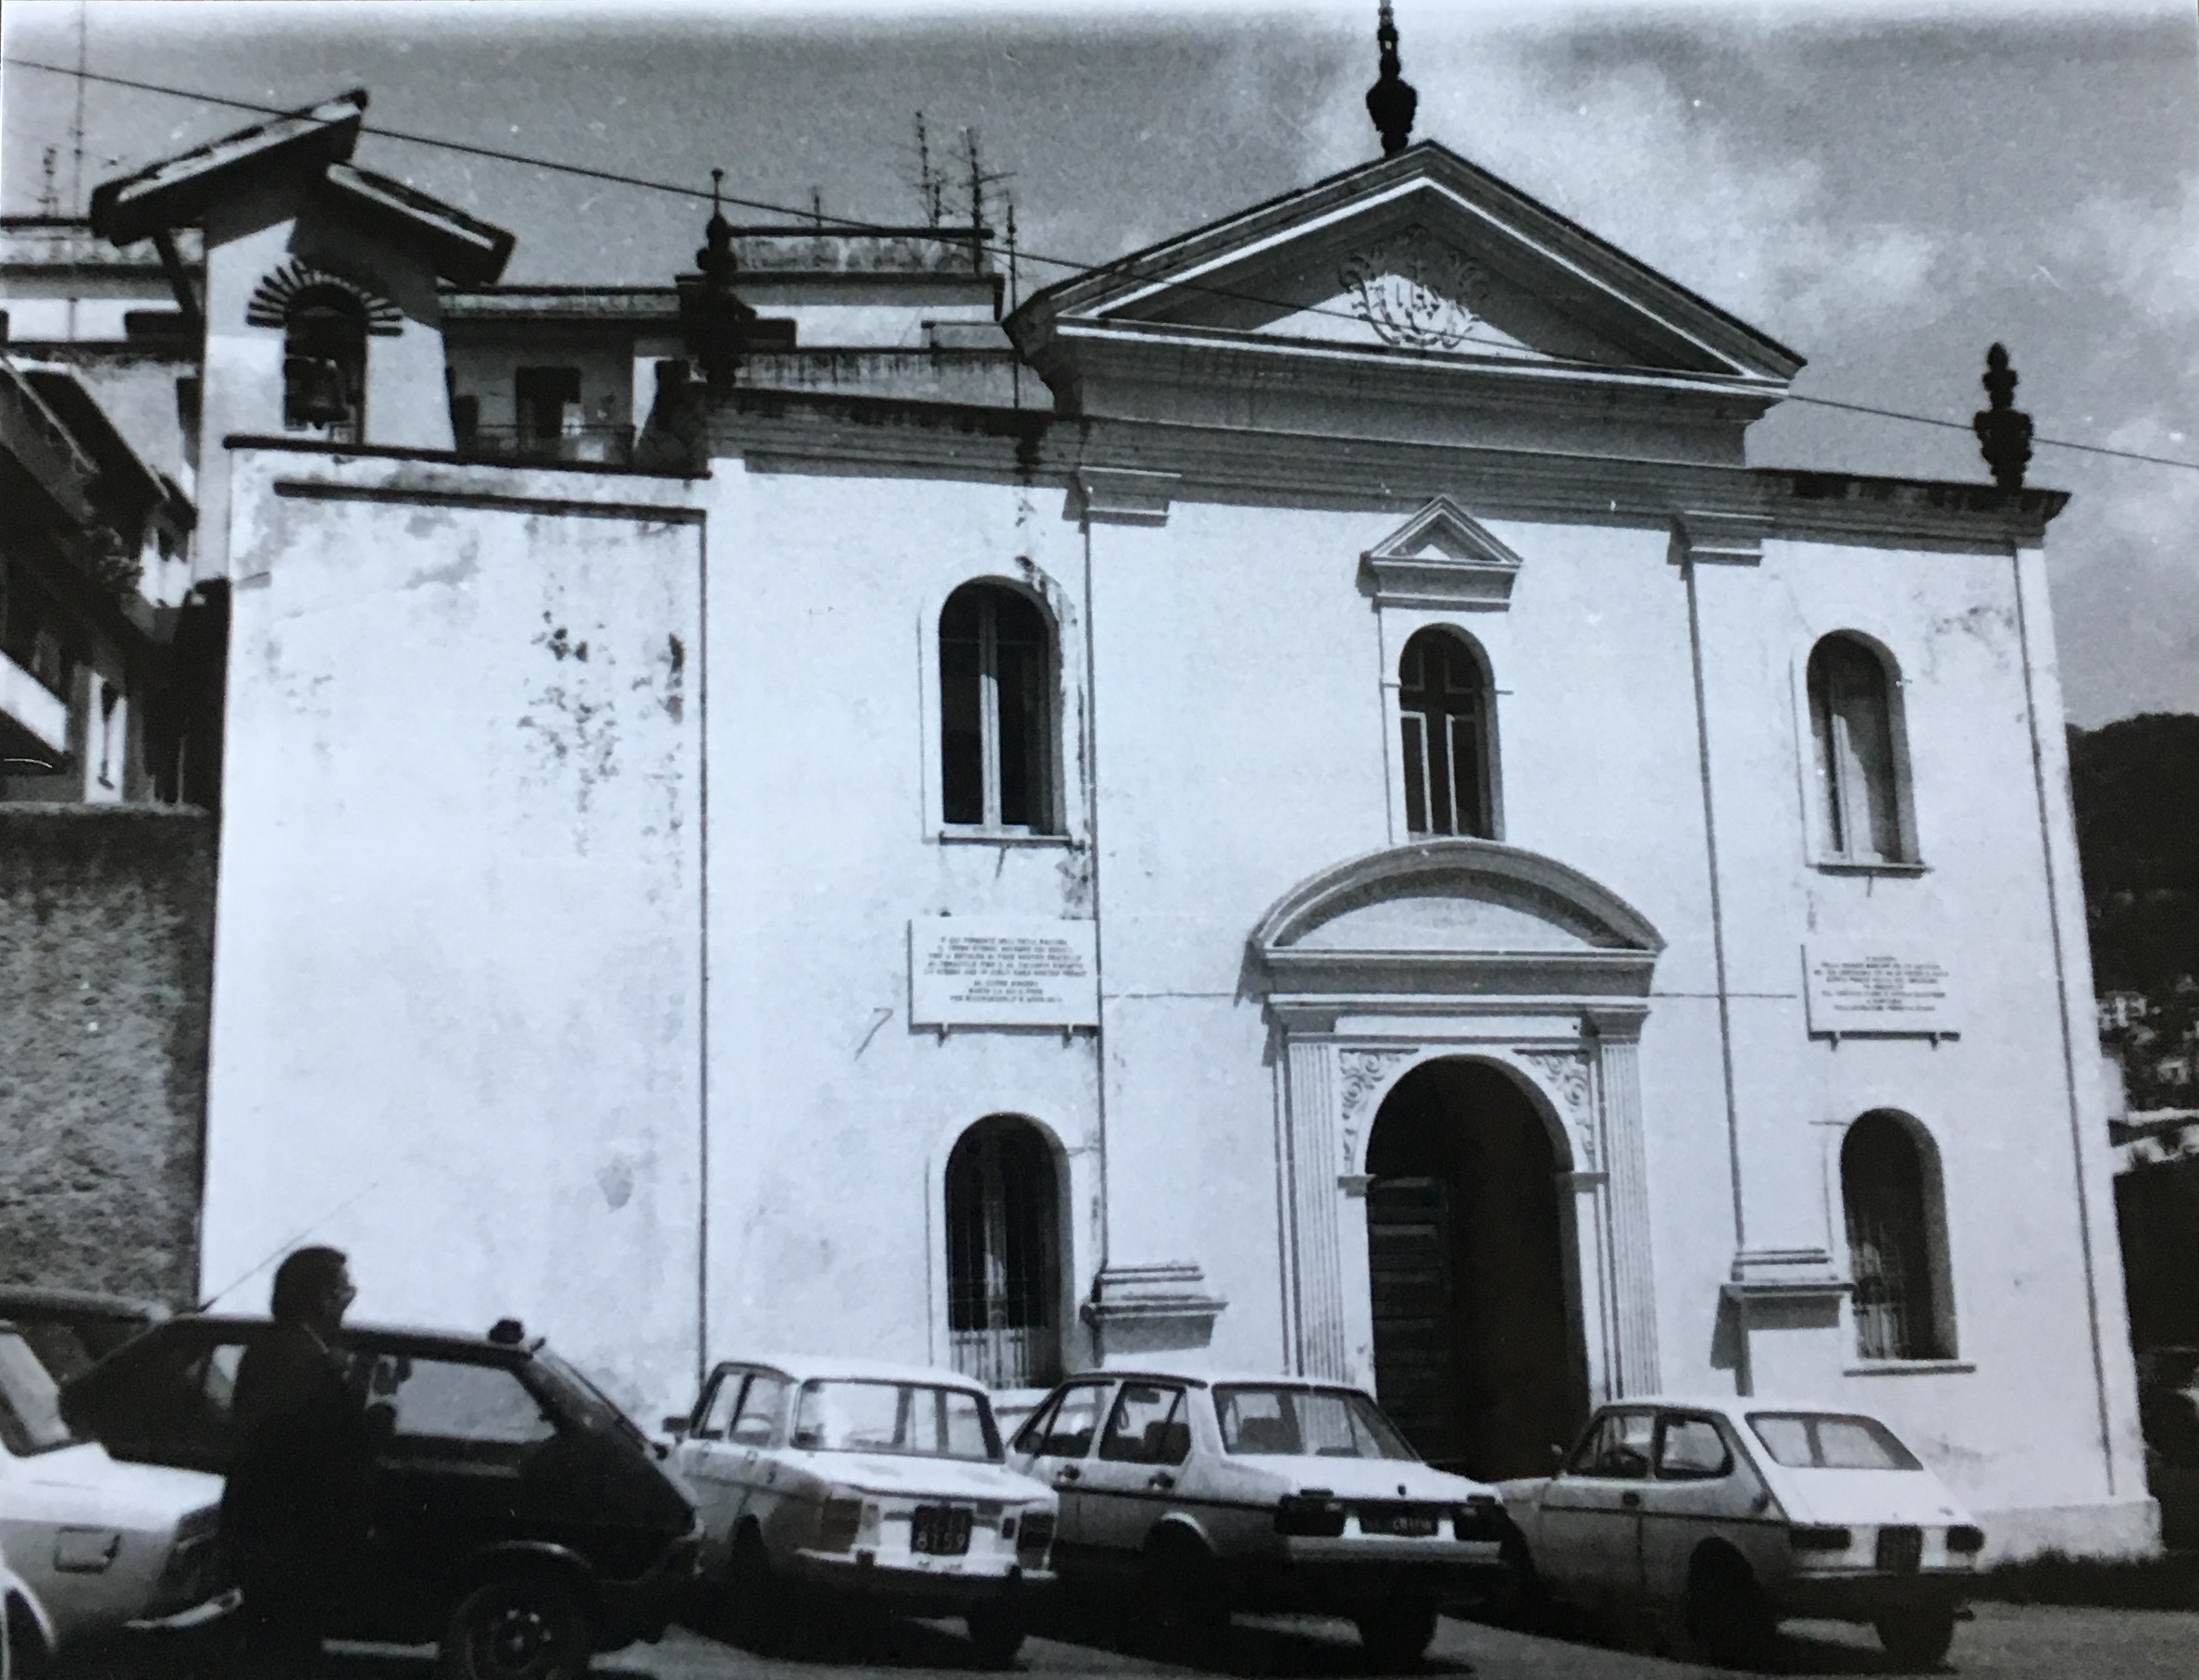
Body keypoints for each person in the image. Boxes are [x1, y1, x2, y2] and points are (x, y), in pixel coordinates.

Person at [220, 1246, 373, 1677]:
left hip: (268, 1535)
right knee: (286, 1650)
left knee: (276, 1645)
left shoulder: (270, 1352)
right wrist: (352, 1394)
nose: (351, 1298)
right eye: (345, 1289)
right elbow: (315, 1451)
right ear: (322, 1299)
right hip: (289, 1541)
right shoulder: (306, 1364)